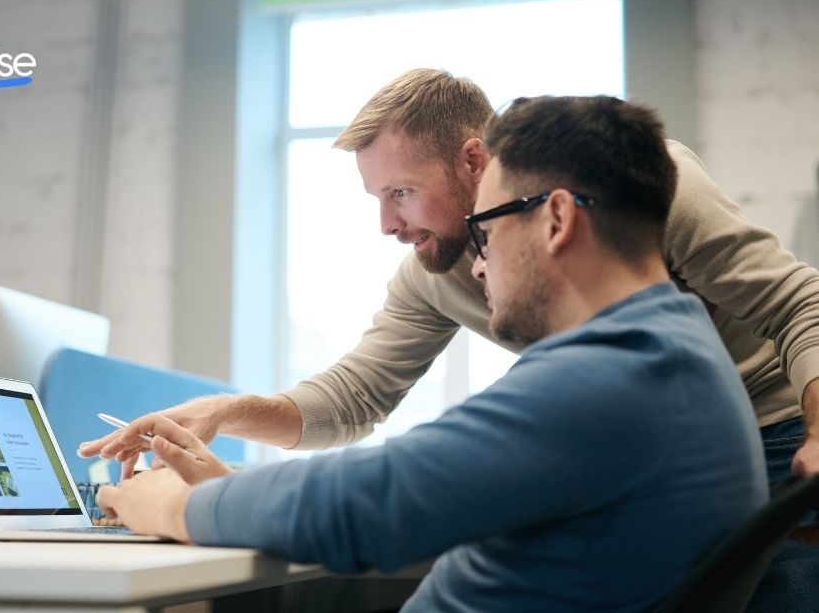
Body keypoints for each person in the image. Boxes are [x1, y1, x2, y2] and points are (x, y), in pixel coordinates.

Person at [96, 95, 769, 612]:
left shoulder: (609, 377)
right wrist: (230, 489)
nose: (478, 267)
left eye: (490, 229)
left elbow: (370, 502)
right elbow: (374, 444)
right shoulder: (676, 350)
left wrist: (168, 507)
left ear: (557, 219)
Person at [81, 69, 819, 492]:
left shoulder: (643, 184)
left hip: (770, 434)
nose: (388, 226)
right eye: (376, 201)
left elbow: (798, 301)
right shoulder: (433, 270)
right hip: (636, 453)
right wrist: (229, 411)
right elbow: (356, 395)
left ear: (473, 162)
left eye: (400, 194)